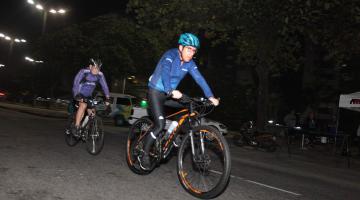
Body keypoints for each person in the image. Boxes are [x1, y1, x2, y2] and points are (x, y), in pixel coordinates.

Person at [138, 33, 219, 170]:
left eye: (194, 50)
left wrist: (210, 96)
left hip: (170, 94)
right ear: (181, 47)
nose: (191, 53)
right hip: (156, 92)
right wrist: (170, 90)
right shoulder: (171, 55)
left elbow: (199, 79)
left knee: (191, 107)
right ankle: (144, 154)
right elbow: (165, 72)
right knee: (160, 124)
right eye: (189, 49)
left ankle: (173, 132)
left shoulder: (190, 64)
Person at [72, 58, 110, 136]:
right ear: (90, 66)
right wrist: (76, 95)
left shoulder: (100, 75)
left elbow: (105, 86)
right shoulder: (84, 72)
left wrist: (108, 98)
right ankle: (76, 127)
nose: (97, 70)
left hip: (89, 95)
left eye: (98, 68)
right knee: (83, 105)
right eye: (95, 68)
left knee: (93, 112)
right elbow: (76, 83)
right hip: (79, 93)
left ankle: (86, 129)